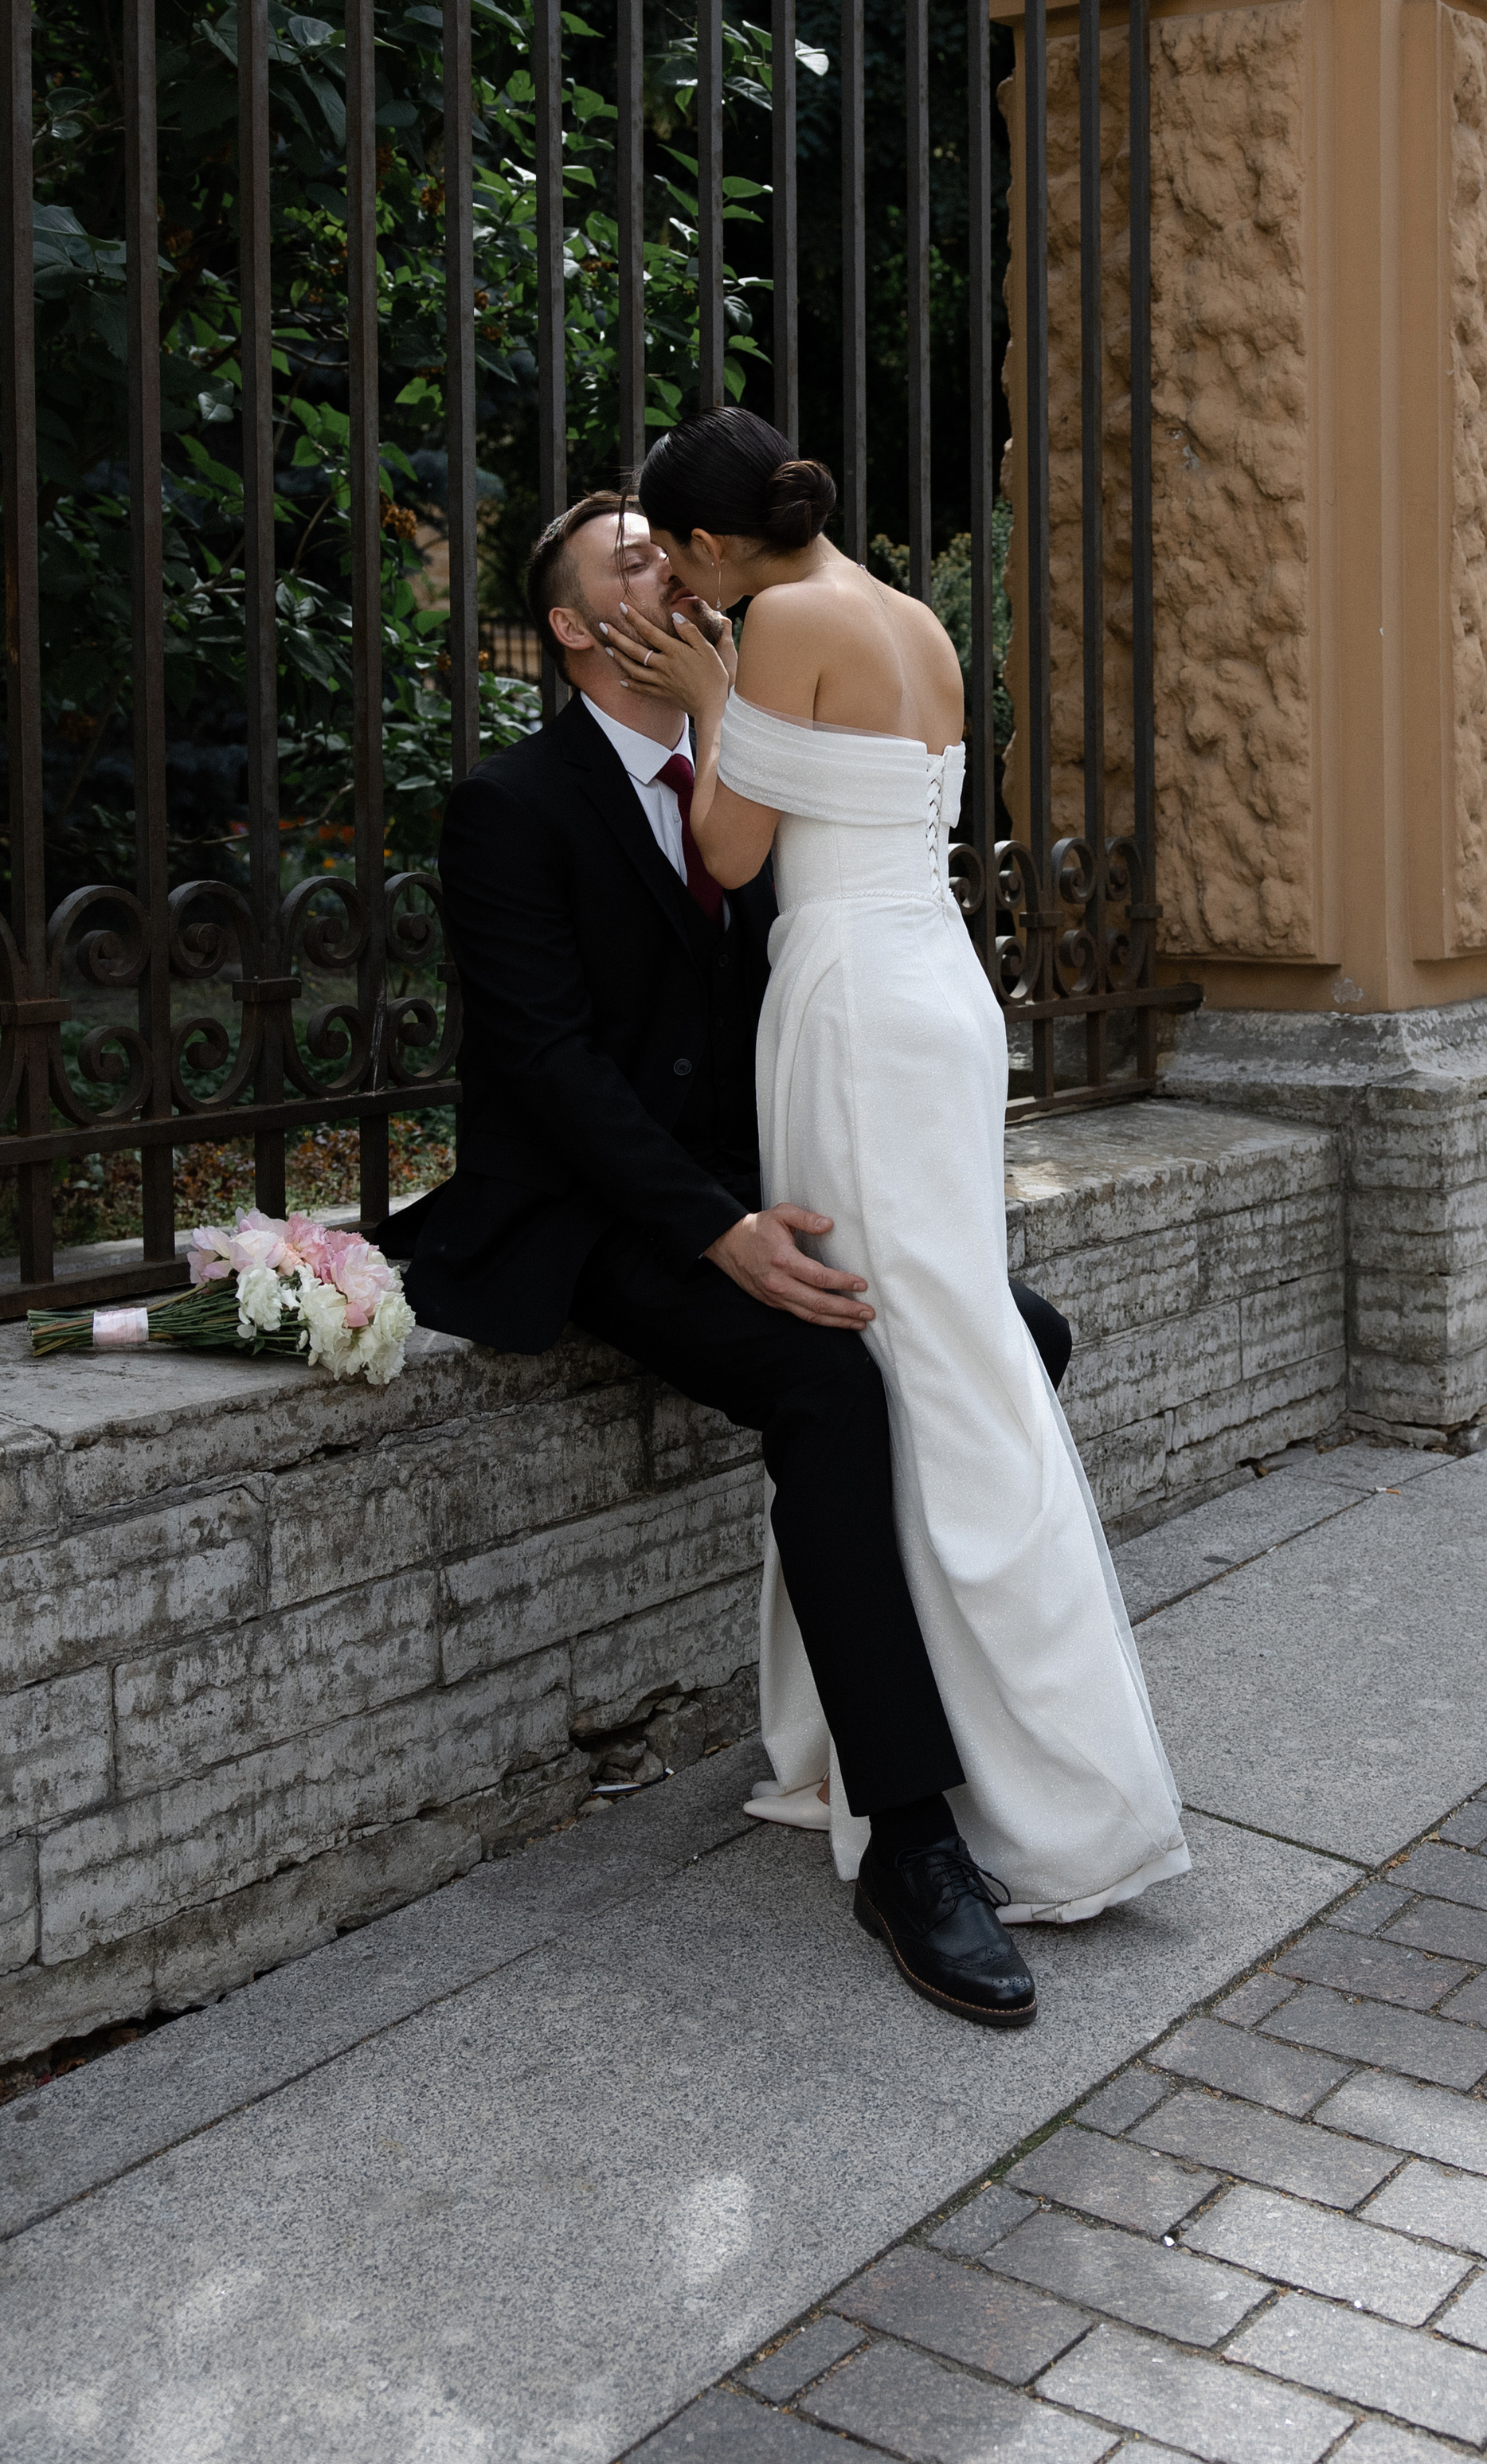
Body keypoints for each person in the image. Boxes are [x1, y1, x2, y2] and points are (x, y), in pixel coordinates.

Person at [386, 492, 1074, 2028]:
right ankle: (911, 1844)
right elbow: (555, 1070)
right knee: (830, 1389)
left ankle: (900, 1706)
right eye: (633, 559)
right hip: (598, 1215)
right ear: (572, 628)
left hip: (770, 1182)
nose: (676, 568)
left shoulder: (748, 753)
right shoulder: (511, 806)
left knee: (1021, 1332)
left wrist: (785, 1203)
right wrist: (718, 1233)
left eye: (674, 545)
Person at [614, 406, 1191, 1977]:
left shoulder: (783, 621)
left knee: (908, 1359)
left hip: (854, 1005)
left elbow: (730, 854)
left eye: (674, 558)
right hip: (933, 986)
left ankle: (1009, 1788)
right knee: (937, 1345)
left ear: (714, 547)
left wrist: (712, 691)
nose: (672, 587)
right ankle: (890, 1735)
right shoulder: (910, 617)